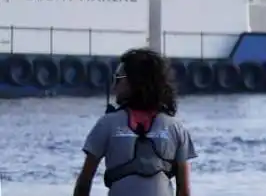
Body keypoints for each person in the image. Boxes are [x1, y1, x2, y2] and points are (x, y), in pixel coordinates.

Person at [72, 48, 198, 196]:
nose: (114, 87)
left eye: (118, 79)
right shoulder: (176, 128)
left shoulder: (106, 124)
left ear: (133, 82)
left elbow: (84, 183)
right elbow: (184, 191)